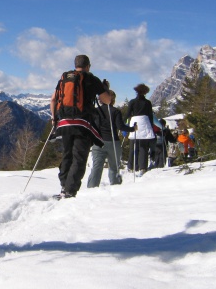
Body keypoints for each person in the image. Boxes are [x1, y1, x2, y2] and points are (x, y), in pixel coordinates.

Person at [50, 55, 111, 198]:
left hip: (64, 123)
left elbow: (53, 99)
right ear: (88, 66)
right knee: (79, 157)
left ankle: (64, 187)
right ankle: (70, 191)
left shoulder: (65, 78)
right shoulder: (91, 79)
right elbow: (106, 100)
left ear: (75, 64)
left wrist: (54, 119)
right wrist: (105, 89)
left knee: (67, 155)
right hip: (82, 124)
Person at [87, 90, 135, 188]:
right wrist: (132, 129)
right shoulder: (115, 111)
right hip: (113, 142)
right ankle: (115, 185)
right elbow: (120, 126)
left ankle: (91, 187)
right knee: (114, 166)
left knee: (97, 166)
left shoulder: (96, 111)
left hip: (98, 141)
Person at [124, 83, 155, 176]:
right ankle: (142, 167)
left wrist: (122, 123)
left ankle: (131, 166)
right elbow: (150, 116)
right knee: (143, 147)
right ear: (145, 92)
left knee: (133, 145)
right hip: (144, 123)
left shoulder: (132, 102)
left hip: (134, 123)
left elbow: (128, 114)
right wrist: (151, 127)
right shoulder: (147, 103)